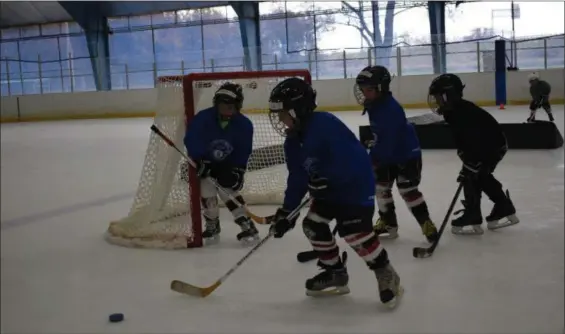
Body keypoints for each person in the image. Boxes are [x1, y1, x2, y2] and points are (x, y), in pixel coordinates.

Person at [267, 77, 403, 308]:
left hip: (354, 187)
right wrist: (287, 212)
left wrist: (330, 179)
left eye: (283, 113)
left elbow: (352, 159)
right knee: (313, 226)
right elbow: (298, 177)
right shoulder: (292, 142)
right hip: (327, 191)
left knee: (354, 232)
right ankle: (335, 273)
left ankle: (387, 273)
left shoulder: (325, 124)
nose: (280, 120)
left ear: (299, 109)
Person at [428, 73, 520, 235]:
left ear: (450, 95)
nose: (437, 101)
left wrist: (472, 161)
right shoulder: (454, 111)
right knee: (477, 175)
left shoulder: (462, 113)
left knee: (474, 175)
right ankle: (499, 207)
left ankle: (477, 213)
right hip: (483, 146)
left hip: (491, 147)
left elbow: (477, 138)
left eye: (439, 97)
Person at [355, 65, 438, 243]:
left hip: (407, 155)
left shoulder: (390, 109)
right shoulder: (374, 104)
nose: (364, 93)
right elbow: (383, 136)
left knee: (408, 190)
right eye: (362, 89)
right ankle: (388, 223)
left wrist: (371, 159)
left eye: (368, 89)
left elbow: (389, 142)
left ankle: (426, 223)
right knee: (381, 188)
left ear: (381, 88)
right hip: (387, 154)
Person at [182, 82, 259, 245]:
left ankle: (246, 222)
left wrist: (239, 170)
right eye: (222, 104)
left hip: (228, 165)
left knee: (228, 190)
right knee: (206, 191)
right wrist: (200, 158)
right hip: (206, 163)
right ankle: (212, 224)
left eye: (230, 105)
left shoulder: (244, 125)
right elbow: (191, 138)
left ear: (237, 105)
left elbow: (243, 149)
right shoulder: (203, 118)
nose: (226, 108)